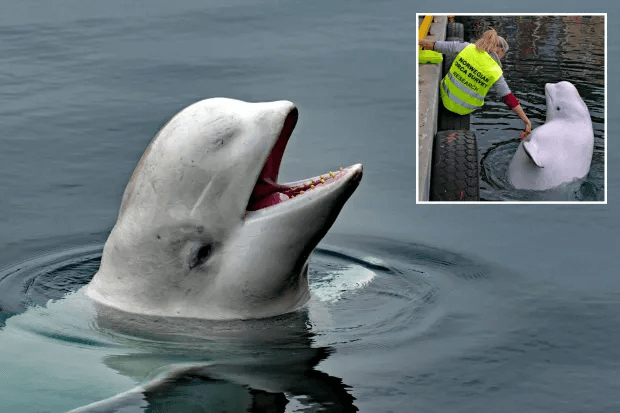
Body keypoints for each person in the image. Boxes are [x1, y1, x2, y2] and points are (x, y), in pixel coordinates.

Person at [419, 28, 531, 140]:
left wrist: (418, 41)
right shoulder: (495, 71)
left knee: (455, 65)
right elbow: (509, 98)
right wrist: (526, 121)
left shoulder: (467, 48)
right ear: (499, 50)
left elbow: (436, 45)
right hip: (465, 109)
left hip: (445, 98)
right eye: (503, 54)